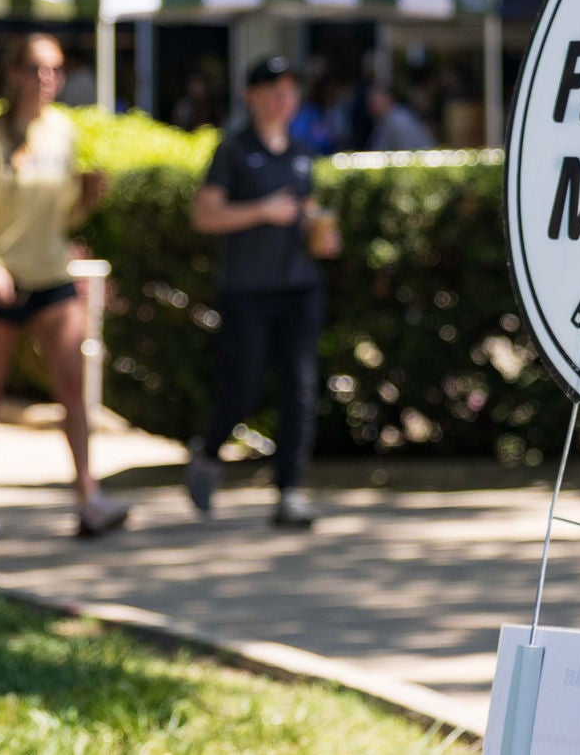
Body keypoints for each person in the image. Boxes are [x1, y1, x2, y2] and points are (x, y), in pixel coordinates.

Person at [0, 33, 127, 539]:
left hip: (52, 275)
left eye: (54, 69)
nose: (45, 78)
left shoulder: (63, 132)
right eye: (35, 68)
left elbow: (62, 218)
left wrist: (87, 199)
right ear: (13, 73)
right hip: (0, 283)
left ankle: (87, 498)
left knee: (73, 389)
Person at [186, 55, 341, 528]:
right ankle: (208, 453)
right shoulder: (233, 151)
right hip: (248, 290)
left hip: (298, 288)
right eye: (274, 89)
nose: (283, 98)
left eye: (291, 90)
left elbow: (308, 212)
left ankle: (289, 492)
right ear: (251, 95)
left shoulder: (300, 153)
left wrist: (324, 236)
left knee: (299, 389)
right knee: (244, 387)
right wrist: (262, 211)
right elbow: (205, 216)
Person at [363, 82, 436, 153]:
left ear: (386, 99)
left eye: (374, 102)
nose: (370, 107)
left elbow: (407, 152)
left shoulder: (398, 121)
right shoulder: (386, 119)